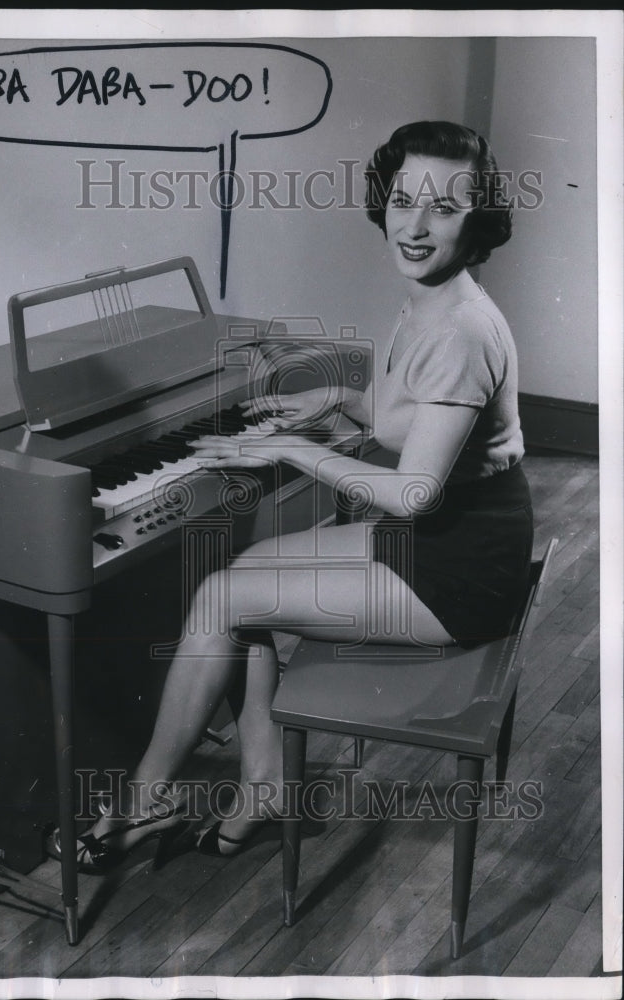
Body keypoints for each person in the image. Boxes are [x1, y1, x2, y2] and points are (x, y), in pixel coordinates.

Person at [56, 120, 533, 871]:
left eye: (443, 208)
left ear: (477, 220)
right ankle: (265, 786)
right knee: (241, 575)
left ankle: (148, 800)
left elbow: (411, 490)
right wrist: (334, 400)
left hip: (458, 569)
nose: (412, 225)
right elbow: (404, 416)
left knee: (222, 597)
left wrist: (288, 447)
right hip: (445, 539)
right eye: (402, 199)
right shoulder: (432, 296)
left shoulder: (461, 330)